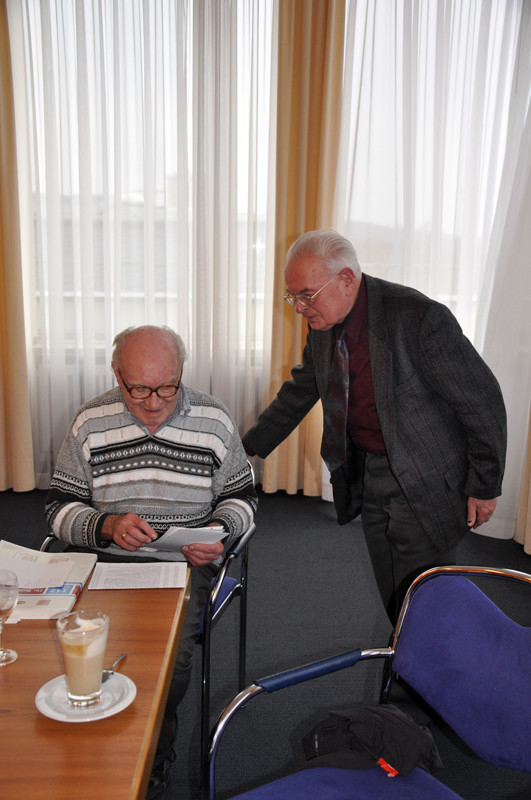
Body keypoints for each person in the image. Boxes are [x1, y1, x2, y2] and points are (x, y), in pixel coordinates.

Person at [243, 229, 506, 625]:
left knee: (425, 597)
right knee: (394, 592)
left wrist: (484, 485)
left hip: (423, 476)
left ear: (347, 279)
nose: (298, 308)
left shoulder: (417, 318)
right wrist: (244, 449)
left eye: (306, 295)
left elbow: (482, 402)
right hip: (367, 470)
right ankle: (407, 651)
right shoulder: (324, 323)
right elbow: (301, 390)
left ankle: (423, 662)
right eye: (292, 296)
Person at [45, 325, 257, 800]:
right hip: (104, 560)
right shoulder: (90, 421)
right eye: (139, 389)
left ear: (181, 373)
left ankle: (153, 753)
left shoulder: (213, 418)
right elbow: (58, 508)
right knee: (72, 647)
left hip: (185, 564)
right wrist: (105, 525)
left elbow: (243, 498)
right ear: (116, 374)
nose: (155, 403)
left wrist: (218, 532)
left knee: (168, 665)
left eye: (167, 387)